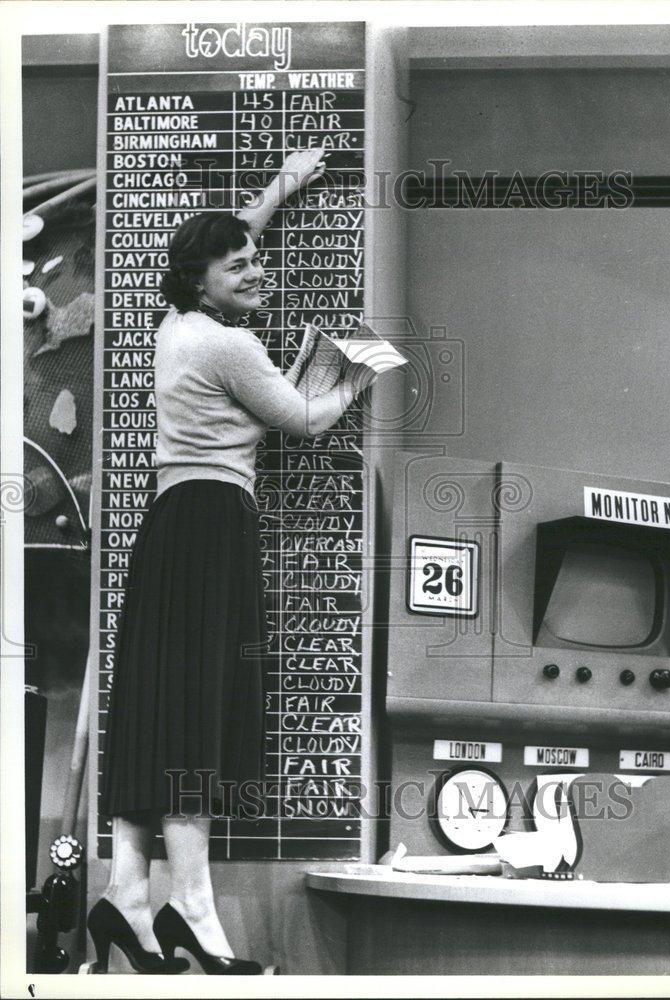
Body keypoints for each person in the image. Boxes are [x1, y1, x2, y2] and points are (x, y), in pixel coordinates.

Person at [92, 149, 371, 974]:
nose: (255, 267)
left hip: (169, 524)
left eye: (255, 257)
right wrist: (358, 369)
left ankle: (127, 895)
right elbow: (307, 419)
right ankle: (196, 909)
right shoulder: (232, 347)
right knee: (198, 712)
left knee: (160, 705)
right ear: (203, 279)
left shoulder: (175, 326)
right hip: (214, 525)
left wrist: (282, 186)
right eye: (238, 266)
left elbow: (228, 236)